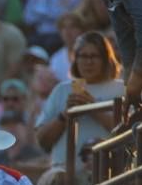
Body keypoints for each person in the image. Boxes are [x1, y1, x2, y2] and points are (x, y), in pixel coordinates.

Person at [34, 31, 123, 166]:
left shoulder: (121, 89)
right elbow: (42, 141)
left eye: (94, 56)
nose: (88, 62)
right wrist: (65, 115)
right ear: (75, 59)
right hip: (64, 172)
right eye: (83, 56)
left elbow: (130, 133)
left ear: (106, 58)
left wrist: (92, 108)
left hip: (108, 172)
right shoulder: (62, 90)